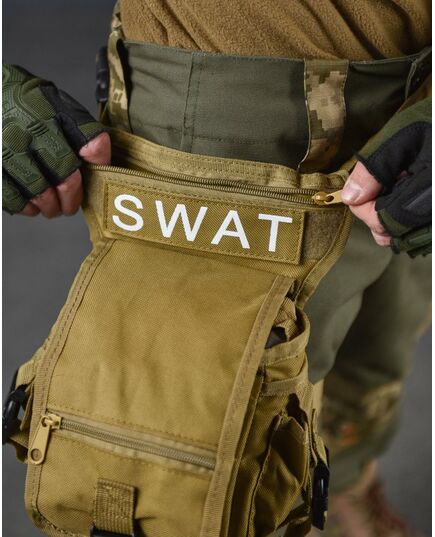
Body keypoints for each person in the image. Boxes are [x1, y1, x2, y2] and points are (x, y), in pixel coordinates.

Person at [2, 1, 431, 536]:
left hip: (415, 105)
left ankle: (342, 486)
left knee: (375, 358)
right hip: (230, 121)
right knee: (213, 456)